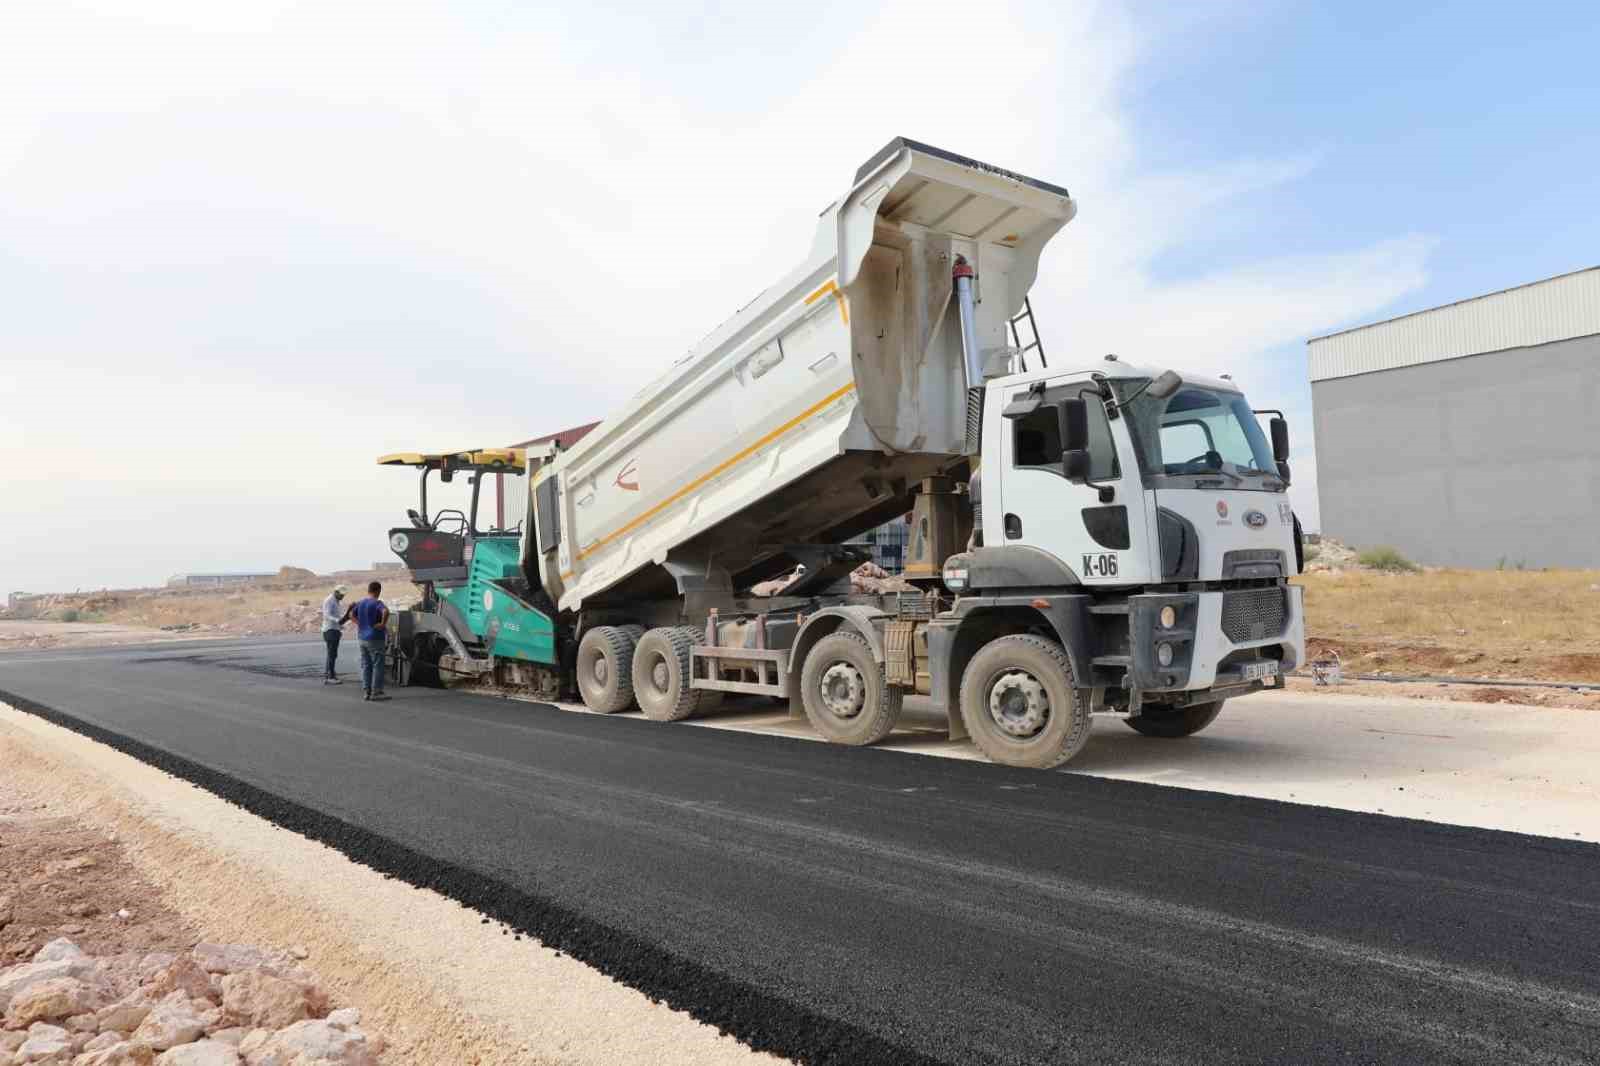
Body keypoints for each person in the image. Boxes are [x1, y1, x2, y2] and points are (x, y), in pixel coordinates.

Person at [351, 581, 391, 702]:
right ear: (378, 591)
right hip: (375, 638)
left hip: (362, 638)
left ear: (368, 590)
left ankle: (367, 692)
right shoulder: (377, 603)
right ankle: (377, 692)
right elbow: (386, 611)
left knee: (366, 665)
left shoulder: (361, 602)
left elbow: (350, 615)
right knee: (378, 665)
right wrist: (382, 624)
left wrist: (360, 624)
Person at [319, 584, 350, 684]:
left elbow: (336, 614)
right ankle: (330, 676)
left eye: (343, 595)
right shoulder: (329, 600)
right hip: (330, 630)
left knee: (332, 654)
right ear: (336, 592)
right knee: (332, 654)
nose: (342, 597)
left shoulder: (337, 601)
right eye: (341, 595)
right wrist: (338, 620)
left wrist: (341, 625)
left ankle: (329, 673)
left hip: (335, 630)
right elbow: (327, 615)